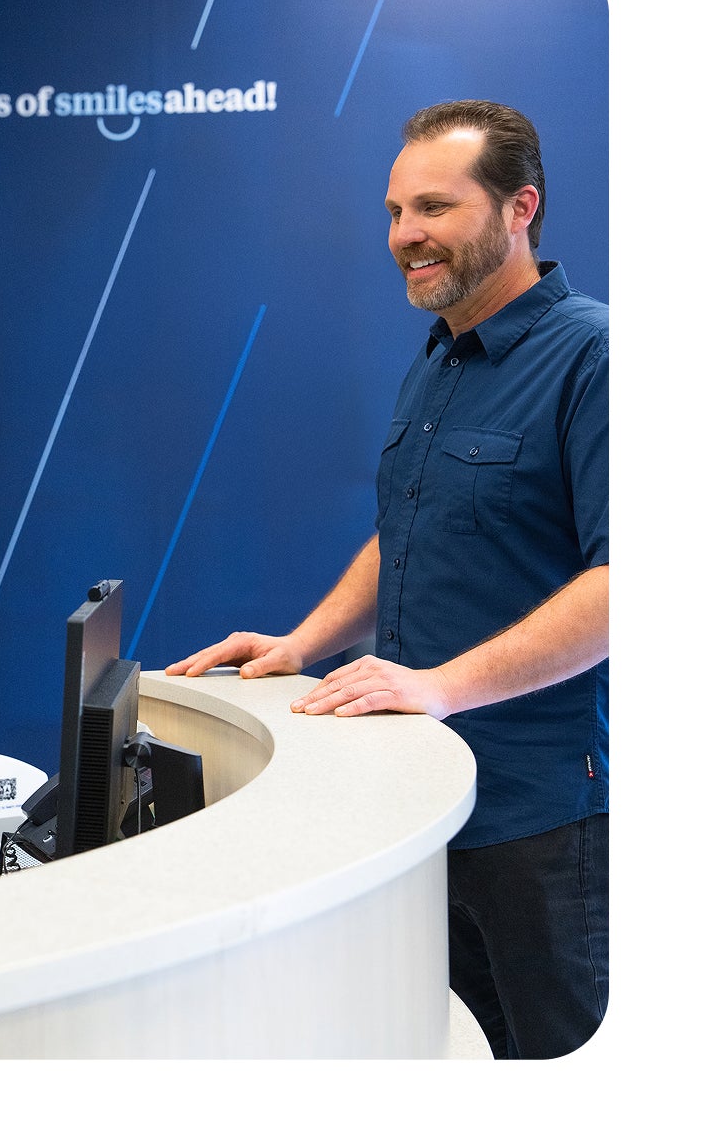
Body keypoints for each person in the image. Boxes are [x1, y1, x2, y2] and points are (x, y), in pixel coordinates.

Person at [166, 100, 608, 1059]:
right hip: (420, 807)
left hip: (543, 822)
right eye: (395, 211)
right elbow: (407, 528)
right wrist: (302, 644)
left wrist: (439, 687)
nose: (407, 235)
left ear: (520, 206)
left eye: (436, 208)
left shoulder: (595, 356)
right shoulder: (440, 359)